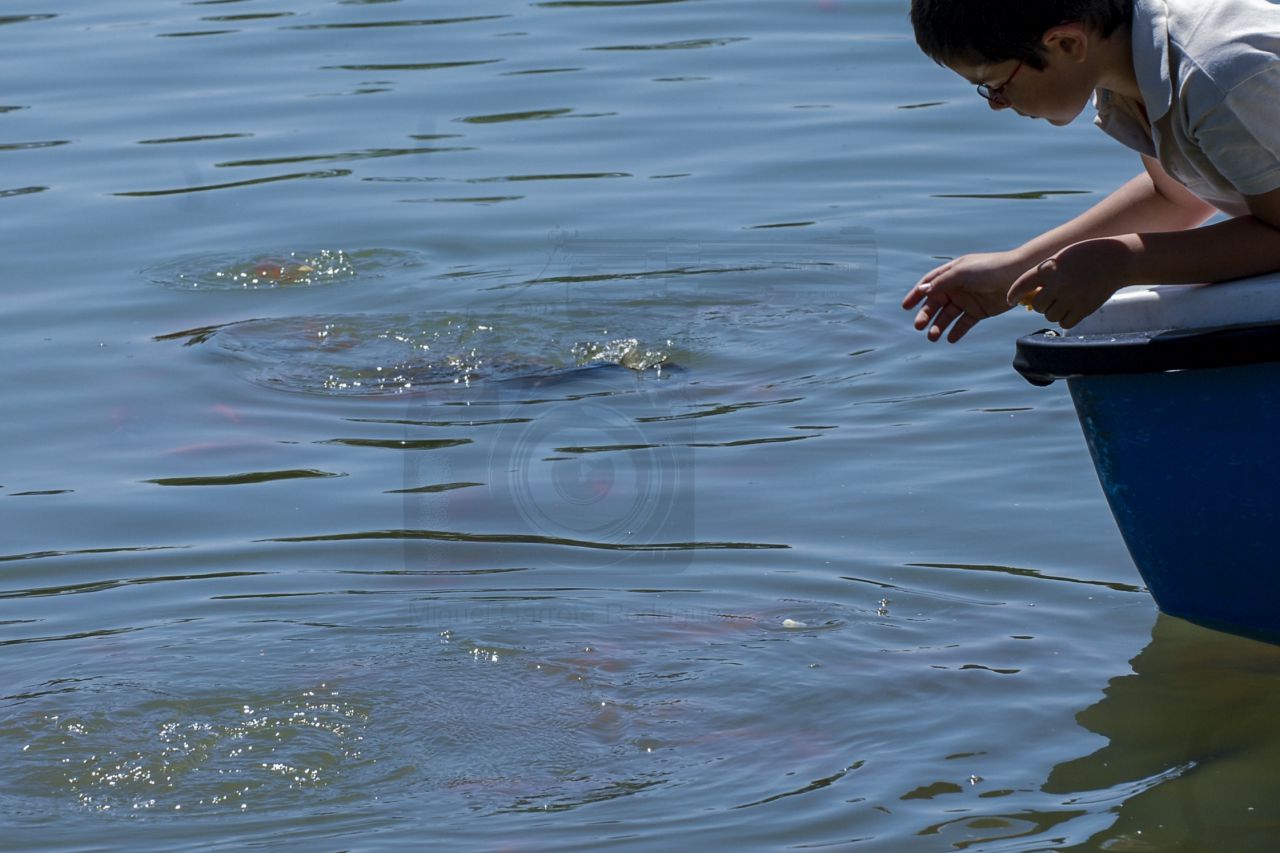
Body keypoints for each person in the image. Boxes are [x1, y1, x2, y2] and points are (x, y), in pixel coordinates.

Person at [901, 0, 1280, 342]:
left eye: (995, 84)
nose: (996, 104)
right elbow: (1178, 194)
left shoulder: (1219, 79)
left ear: (1067, 44)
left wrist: (1123, 262)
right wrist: (1016, 268)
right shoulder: (1131, 67)